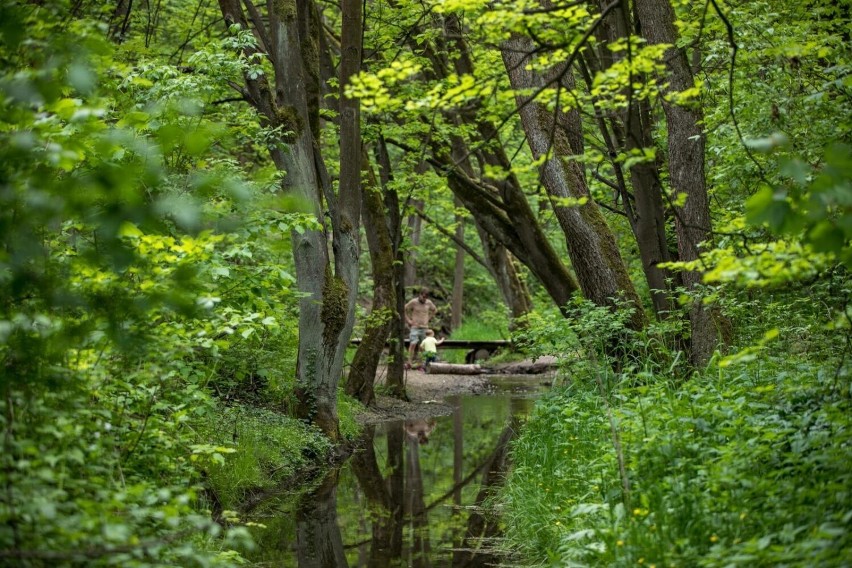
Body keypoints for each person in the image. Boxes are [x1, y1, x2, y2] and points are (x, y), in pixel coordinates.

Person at [404, 287, 437, 368]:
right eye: (423, 297)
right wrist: (408, 320)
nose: (424, 299)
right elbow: (404, 308)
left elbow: (435, 310)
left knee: (422, 346)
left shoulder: (428, 303)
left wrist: (429, 318)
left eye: (426, 297)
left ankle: (420, 364)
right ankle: (409, 363)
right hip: (415, 327)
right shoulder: (414, 302)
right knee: (413, 344)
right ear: (420, 295)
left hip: (425, 328)